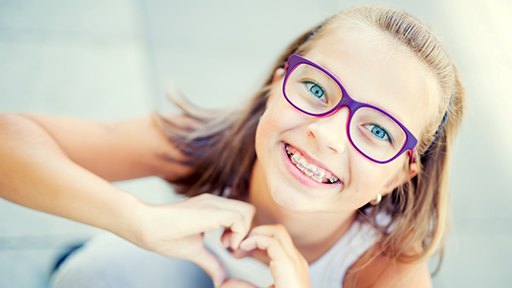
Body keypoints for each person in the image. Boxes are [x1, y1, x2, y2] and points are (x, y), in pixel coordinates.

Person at [0, 6, 464, 288]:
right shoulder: (207, 142)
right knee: (89, 275)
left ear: (401, 173)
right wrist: (136, 219)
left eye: (378, 131)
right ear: (277, 85)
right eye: (317, 89)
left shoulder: (385, 269)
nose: (326, 133)